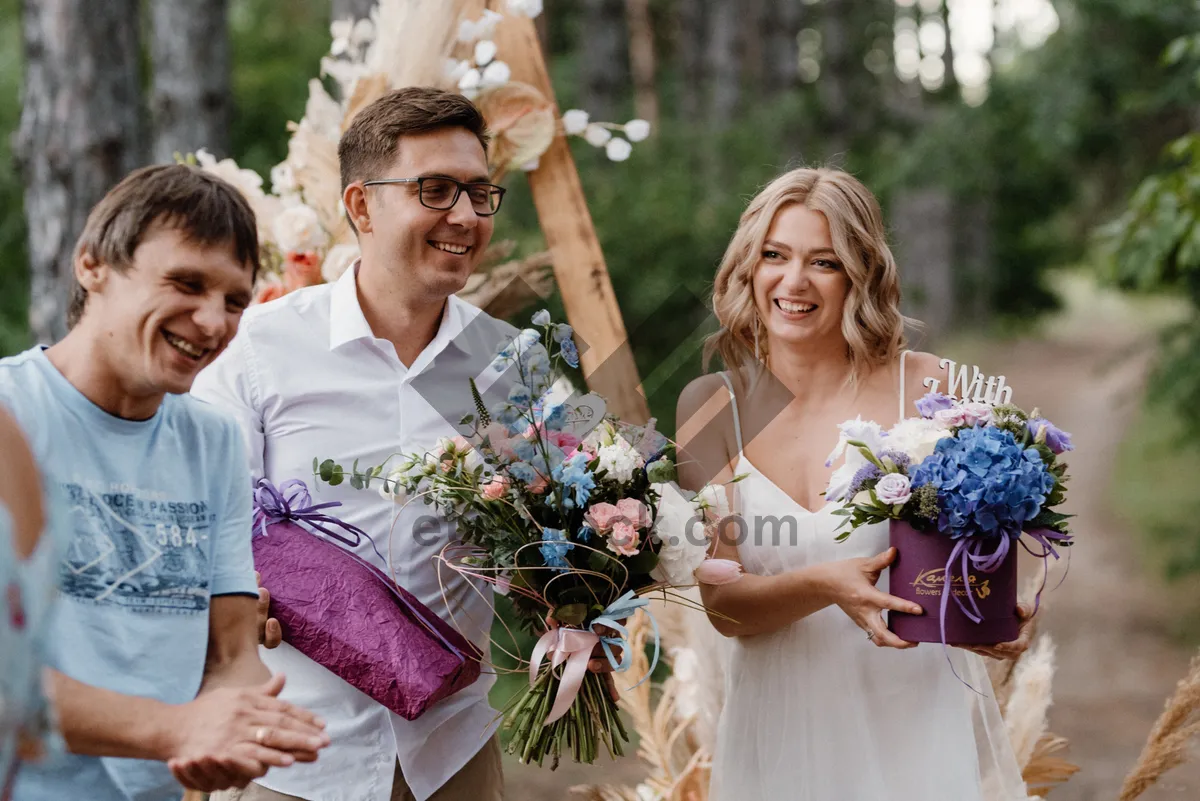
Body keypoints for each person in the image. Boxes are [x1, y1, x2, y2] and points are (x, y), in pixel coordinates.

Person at [192, 87, 514, 801]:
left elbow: (602, 498)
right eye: (435, 190)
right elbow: (204, 523)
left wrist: (588, 580)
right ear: (361, 205)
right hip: (297, 751)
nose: (463, 216)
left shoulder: (514, 360)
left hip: (453, 752)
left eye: (479, 193)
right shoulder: (261, 346)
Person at [675, 167, 1034, 800]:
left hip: (910, 724)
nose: (794, 282)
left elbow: (981, 553)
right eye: (774, 256)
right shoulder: (710, 409)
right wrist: (823, 585)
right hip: (777, 733)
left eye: (824, 262)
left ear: (860, 274)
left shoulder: (927, 389)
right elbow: (725, 609)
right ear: (747, 268)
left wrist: (995, 611)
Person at [0, 164, 329, 801]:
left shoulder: (213, 440)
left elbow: (233, 650)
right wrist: (173, 730)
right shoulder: (10, 414)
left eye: (235, 300)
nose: (212, 322)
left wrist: (241, 725)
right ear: (92, 265)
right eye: (186, 282)